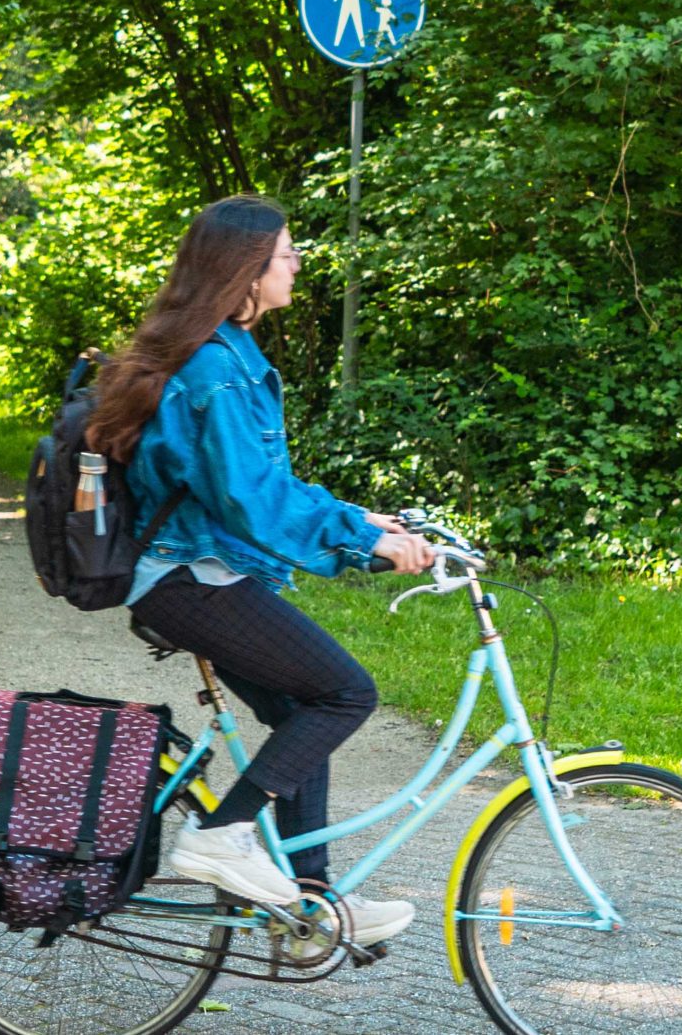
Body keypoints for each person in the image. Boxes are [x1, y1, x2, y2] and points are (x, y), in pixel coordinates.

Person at [85, 194, 434, 945]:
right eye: (285, 253)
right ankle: (221, 835)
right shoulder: (215, 367)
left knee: (298, 715)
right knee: (345, 692)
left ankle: (312, 906)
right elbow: (252, 499)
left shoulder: (226, 355)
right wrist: (360, 541)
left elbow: (258, 482)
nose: (296, 263)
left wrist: (358, 520)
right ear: (244, 271)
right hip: (190, 577)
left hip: (204, 569)